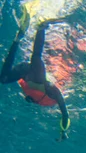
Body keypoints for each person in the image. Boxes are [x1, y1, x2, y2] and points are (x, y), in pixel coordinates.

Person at [0, 8, 70, 141]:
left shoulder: (45, 98)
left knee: (3, 79)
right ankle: (41, 27)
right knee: (36, 55)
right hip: (34, 76)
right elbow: (65, 114)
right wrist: (63, 131)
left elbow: (30, 97)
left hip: (25, 74)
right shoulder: (53, 92)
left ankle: (18, 38)